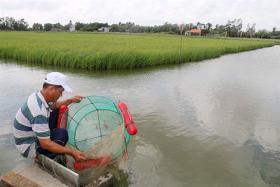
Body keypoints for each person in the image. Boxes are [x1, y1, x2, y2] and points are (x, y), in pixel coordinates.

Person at [13, 72, 87, 162]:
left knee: (55, 110)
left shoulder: (38, 96)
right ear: (52, 89)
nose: (61, 95)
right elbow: (46, 144)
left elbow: (53, 106)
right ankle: (41, 156)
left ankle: (47, 137)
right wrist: (72, 152)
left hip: (31, 135)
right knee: (62, 134)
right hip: (28, 146)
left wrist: (70, 100)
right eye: (61, 92)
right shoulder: (39, 112)